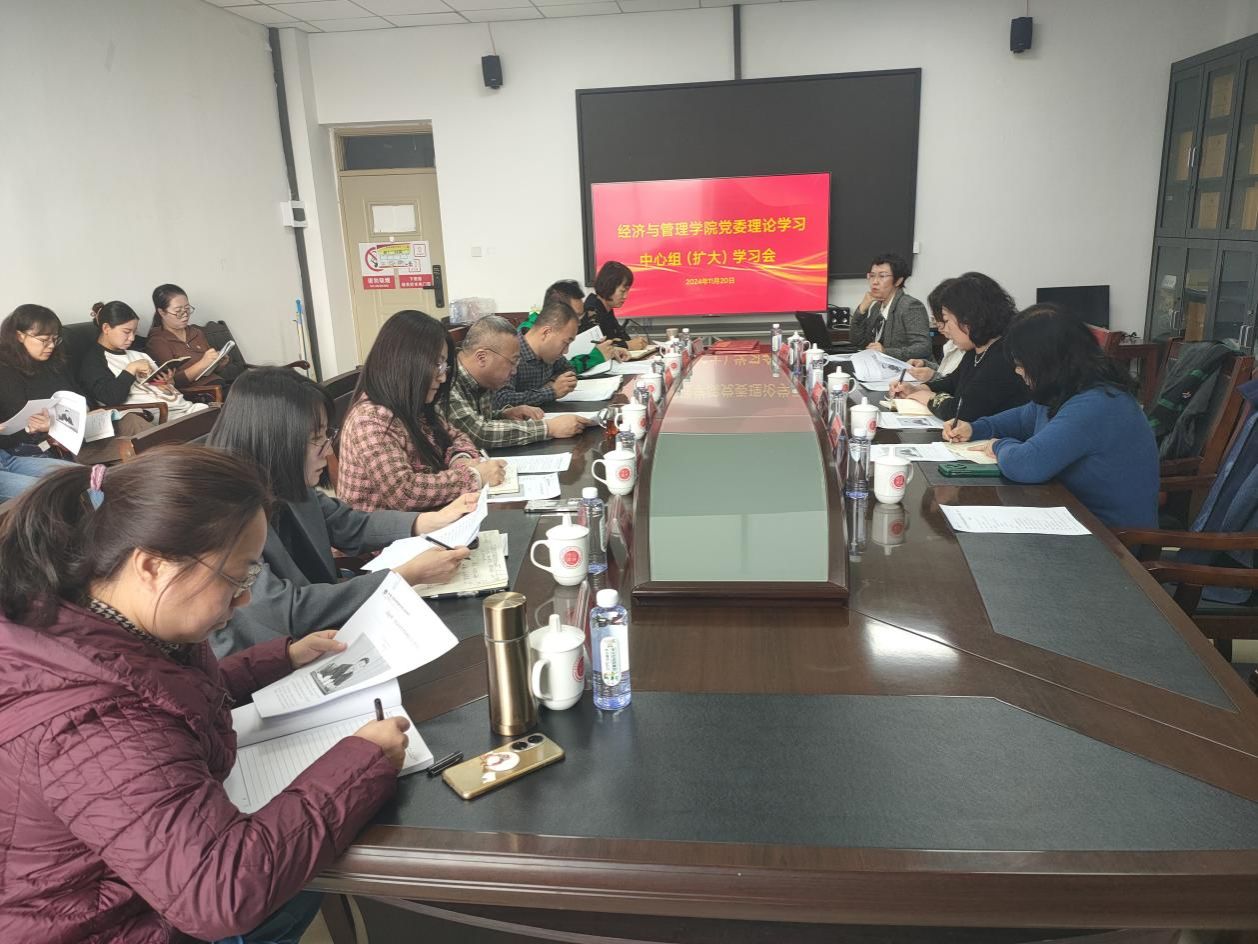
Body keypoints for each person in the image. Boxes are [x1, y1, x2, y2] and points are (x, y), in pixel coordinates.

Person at [0, 447, 410, 943]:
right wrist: (363, 762)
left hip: (134, 887)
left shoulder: (103, 617)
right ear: (152, 567)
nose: (245, 598)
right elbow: (221, 892)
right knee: (302, 882)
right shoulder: (90, 723)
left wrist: (276, 659)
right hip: (106, 926)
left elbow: (166, 695)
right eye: (237, 577)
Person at [207, 367, 472, 656]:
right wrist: (403, 576)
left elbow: (350, 524)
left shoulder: (282, 477)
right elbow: (288, 611)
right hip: (266, 660)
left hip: (322, 636)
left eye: (326, 435)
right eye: (316, 438)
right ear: (275, 440)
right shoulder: (220, 515)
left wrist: (429, 521)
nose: (327, 450)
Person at [943, 304, 1159, 528]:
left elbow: (1027, 464)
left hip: (1111, 536)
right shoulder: (1065, 389)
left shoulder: (1097, 403)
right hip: (1072, 515)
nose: (1017, 371)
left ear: (1046, 362)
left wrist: (998, 445)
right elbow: (1022, 419)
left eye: (1021, 364)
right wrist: (975, 428)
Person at [338, 310, 505, 513]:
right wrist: (474, 477)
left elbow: (456, 436)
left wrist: (460, 459)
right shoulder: (369, 419)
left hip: (425, 520)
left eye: (444, 366)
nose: (443, 377)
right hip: (385, 532)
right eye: (437, 365)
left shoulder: (414, 404)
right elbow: (404, 492)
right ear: (404, 362)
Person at [0, 304, 149, 473]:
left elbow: (79, 394)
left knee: (133, 422)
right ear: (20, 336)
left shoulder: (54, 362)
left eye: (55, 339)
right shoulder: (5, 372)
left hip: (79, 428)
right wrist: (51, 427)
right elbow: (13, 430)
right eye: (44, 340)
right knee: (138, 448)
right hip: (53, 444)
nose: (51, 346)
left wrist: (88, 409)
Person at [888, 272, 1029, 422]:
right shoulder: (975, 350)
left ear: (969, 319)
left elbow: (962, 410)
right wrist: (917, 389)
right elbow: (952, 382)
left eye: (947, 320)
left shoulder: (1003, 357)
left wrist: (928, 397)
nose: (945, 329)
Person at [441, 315, 591, 450]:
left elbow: (478, 419)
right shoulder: (446, 382)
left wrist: (504, 414)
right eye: (512, 362)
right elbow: (477, 433)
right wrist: (548, 428)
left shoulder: (481, 379)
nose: (514, 371)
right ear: (482, 358)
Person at [79, 300, 208, 421]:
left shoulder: (138, 354)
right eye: (126, 332)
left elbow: (159, 389)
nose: (132, 338)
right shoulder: (94, 362)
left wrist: (168, 382)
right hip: (164, 417)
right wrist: (131, 369)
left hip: (187, 408)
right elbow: (112, 398)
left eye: (134, 332)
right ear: (106, 328)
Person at [520, 280, 628, 374]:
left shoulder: (562, 329)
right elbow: (556, 370)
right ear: (557, 311)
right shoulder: (529, 332)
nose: (579, 323)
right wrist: (596, 356)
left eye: (581, 316)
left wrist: (608, 350)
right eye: (574, 316)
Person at [146, 283, 241, 390]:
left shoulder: (196, 332)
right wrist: (202, 363)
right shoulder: (157, 341)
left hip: (219, 384)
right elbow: (171, 382)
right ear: (162, 312)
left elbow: (209, 371)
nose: (185, 315)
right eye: (178, 311)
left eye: (187, 309)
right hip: (198, 393)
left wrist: (219, 364)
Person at [494, 299, 582, 409]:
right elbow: (502, 400)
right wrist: (551, 392)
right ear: (546, 333)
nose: (566, 351)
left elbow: (568, 368)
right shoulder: (509, 353)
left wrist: (553, 382)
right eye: (565, 343)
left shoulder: (550, 354)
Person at [849, 252, 932, 362]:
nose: (875, 282)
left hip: (908, 369)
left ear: (898, 281)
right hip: (878, 366)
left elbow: (923, 348)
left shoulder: (910, 306)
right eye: (872, 276)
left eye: (882, 276)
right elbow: (858, 342)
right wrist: (862, 310)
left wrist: (886, 352)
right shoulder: (876, 307)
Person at [581, 261, 650, 351]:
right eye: (623, 291)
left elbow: (622, 337)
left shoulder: (607, 309)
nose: (625, 296)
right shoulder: (592, 310)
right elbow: (596, 349)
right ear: (609, 286)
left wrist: (634, 343)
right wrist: (627, 345)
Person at [904, 278, 962, 382]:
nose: (939, 328)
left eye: (944, 320)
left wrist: (933, 376)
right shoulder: (951, 344)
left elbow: (957, 384)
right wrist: (925, 364)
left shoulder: (967, 347)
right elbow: (946, 371)